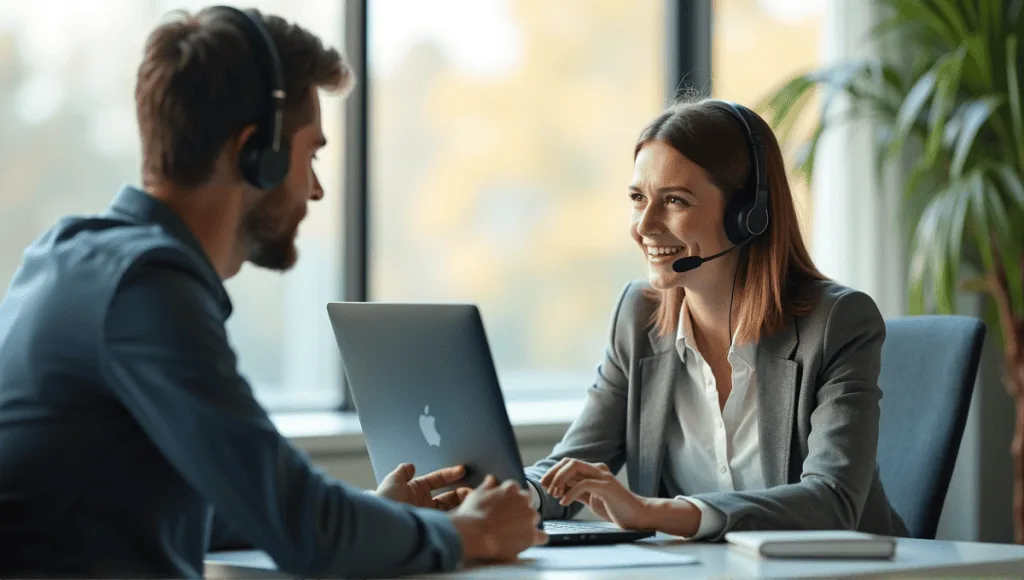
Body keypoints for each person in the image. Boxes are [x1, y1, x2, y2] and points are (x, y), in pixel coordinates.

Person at [0, 6, 544, 579]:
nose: (315, 188)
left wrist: (375, 518)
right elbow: (305, 532)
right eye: (310, 154)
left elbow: (212, 509)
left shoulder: (72, 256)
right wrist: (473, 532)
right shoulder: (145, 287)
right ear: (256, 154)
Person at [522, 98, 910, 540]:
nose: (645, 226)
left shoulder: (837, 322)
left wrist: (658, 513)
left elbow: (831, 502)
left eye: (674, 200)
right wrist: (506, 496)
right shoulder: (640, 317)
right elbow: (575, 463)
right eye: (637, 198)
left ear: (749, 216)